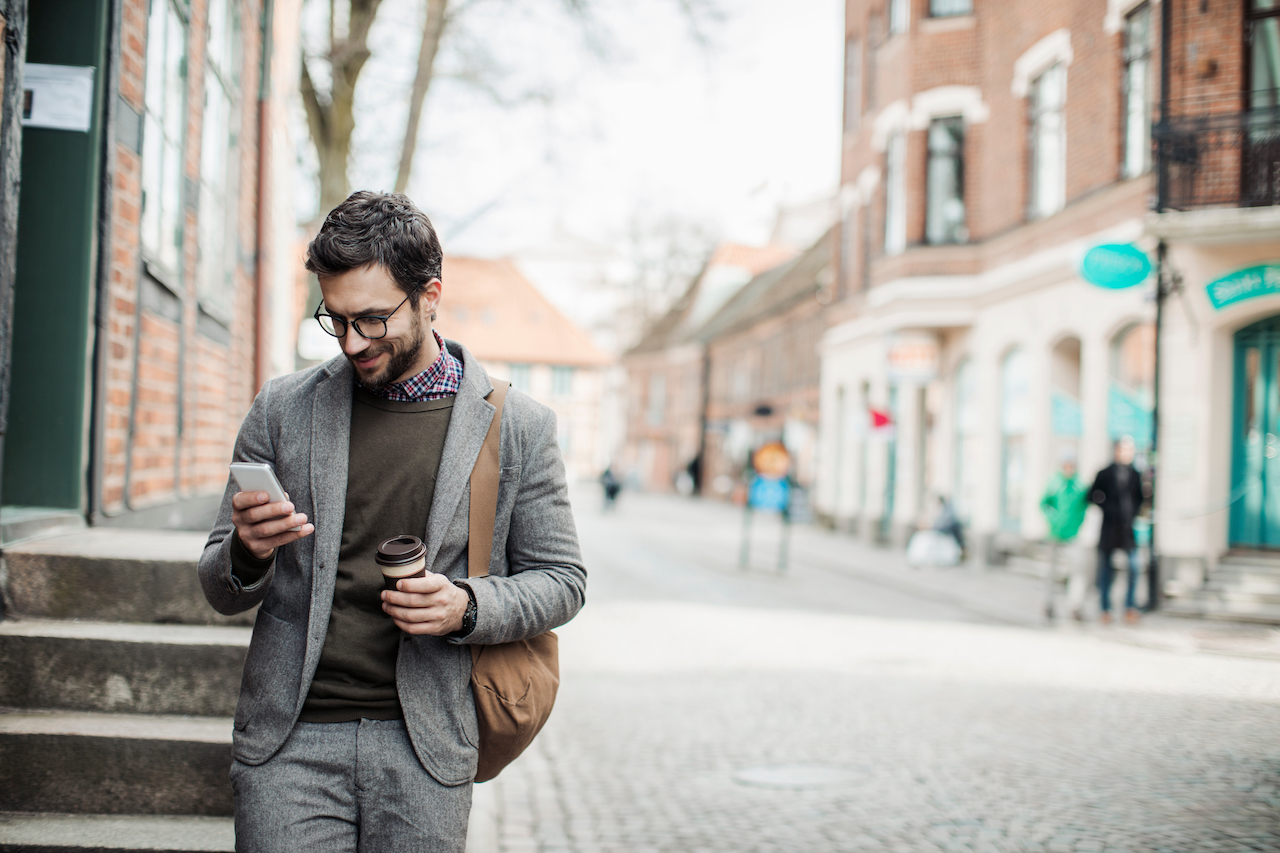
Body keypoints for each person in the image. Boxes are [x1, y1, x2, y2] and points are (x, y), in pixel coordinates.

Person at [198, 191, 587, 852]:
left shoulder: (518, 427)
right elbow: (218, 584)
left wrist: (466, 605)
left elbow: (563, 580)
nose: (353, 342)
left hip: (427, 744)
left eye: (374, 320)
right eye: (337, 319)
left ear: (430, 294)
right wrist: (247, 551)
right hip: (290, 741)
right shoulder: (282, 409)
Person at [1089, 436, 1145, 625]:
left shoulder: (1135, 474)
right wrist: (1107, 507)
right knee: (1106, 570)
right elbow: (1092, 495)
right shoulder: (1105, 473)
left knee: (1134, 567)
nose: (1127, 454)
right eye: (1124, 450)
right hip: (1109, 529)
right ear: (1117, 451)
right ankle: (1105, 609)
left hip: (1128, 529)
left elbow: (1141, 497)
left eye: (1131, 450)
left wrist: (1133, 513)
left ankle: (1130, 606)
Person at [1039, 451, 1088, 621]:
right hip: (1054, 535)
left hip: (1072, 535)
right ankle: (1048, 604)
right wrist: (1053, 520)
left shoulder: (1079, 486)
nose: (1068, 468)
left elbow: (1084, 507)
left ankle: (1075, 606)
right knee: (1051, 572)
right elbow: (1044, 504)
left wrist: (1079, 523)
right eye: (1066, 465)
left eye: (1071, 465)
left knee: (1078, 571)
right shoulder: (1055, 483)